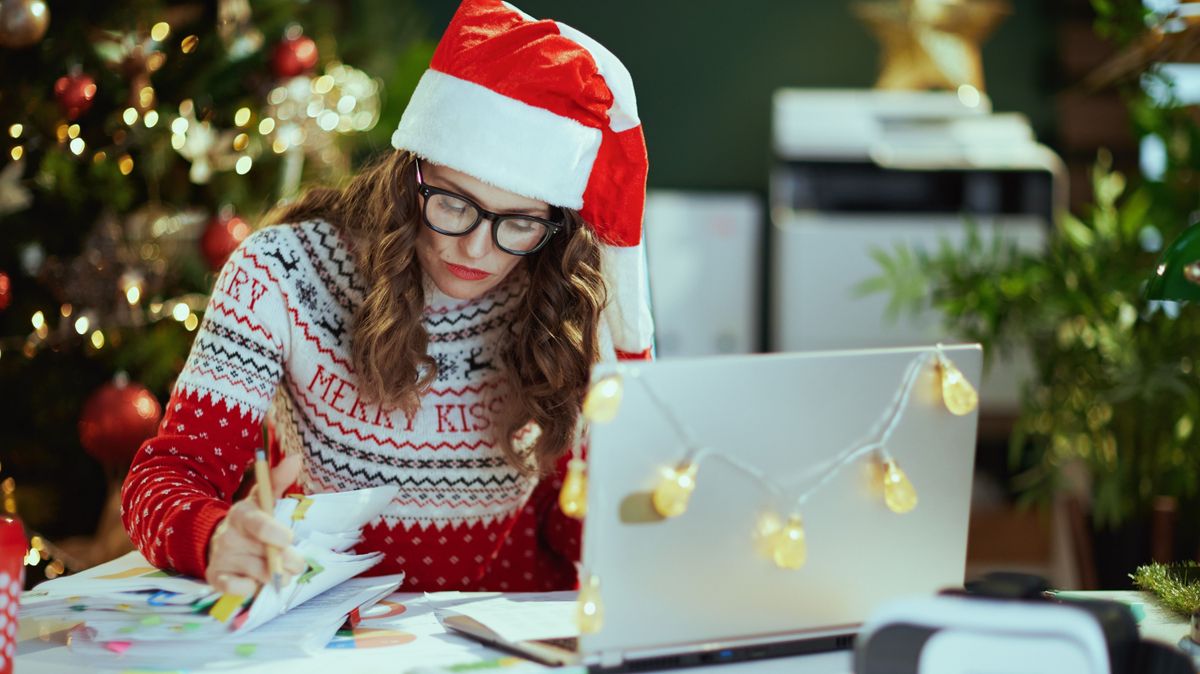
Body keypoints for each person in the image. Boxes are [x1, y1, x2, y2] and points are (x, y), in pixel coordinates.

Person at [120, 0, 653, 596]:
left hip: (514, 637)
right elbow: (165, 479)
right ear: (410, 171)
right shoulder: (281, 273)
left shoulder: (564, 295)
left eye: (518, 222)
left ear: (555, 223)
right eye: (453, 202)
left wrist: (639, 496)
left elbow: (577, 530)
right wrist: (215, 534)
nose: (477, 248)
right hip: (333, 632)